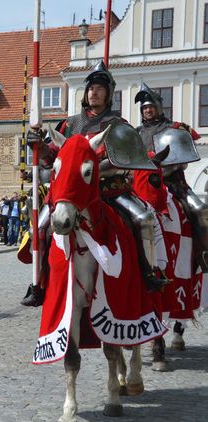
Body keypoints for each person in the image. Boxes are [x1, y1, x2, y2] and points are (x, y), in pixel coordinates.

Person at [22, 60, 166, 307]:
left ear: (108, 94)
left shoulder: (118, 126)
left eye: (100, 88)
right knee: (42, 226)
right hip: (73, 193)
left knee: (143, 218)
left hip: (110, 189)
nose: (94, 92)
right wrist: (39, 146)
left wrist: (93, 171)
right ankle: (39, 283)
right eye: (91, 88)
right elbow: (52, 161)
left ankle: (148, 272)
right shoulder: (69, 125)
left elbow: (125, 161)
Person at [135, 83, 208, 269]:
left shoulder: (175, 129)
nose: (148, 110)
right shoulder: (136, 134)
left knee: (200, 210)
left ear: (159, 107)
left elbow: (182, 162)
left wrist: (163, 170)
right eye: (144, 108)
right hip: (143, 184)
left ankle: (203, 253)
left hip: (174, 184)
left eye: (151, 106)